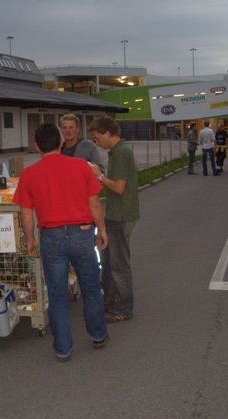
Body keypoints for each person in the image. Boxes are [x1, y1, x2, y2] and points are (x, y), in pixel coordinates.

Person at [13, 123, 109, 362]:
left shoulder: (29, 174)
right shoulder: (81, 167)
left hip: (51, 237)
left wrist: (30, 241)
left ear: (37, 146)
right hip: (83, 233)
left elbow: (26, 214)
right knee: (91, 287)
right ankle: (98, 335)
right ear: (60, 142)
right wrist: (102, 230)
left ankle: (63, 348)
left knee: (56, 295)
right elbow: (94, 203)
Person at [88, 116, 140, 323]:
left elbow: (119, 187)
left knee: (119, 264)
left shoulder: (121, 153)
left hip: (121, 215)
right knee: (109, 262)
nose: (96, 142)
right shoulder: (119, 151)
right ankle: (109, 303)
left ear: (107, 132)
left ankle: (124, 308)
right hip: (116, 214)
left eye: (96, 137)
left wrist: (98, 176)